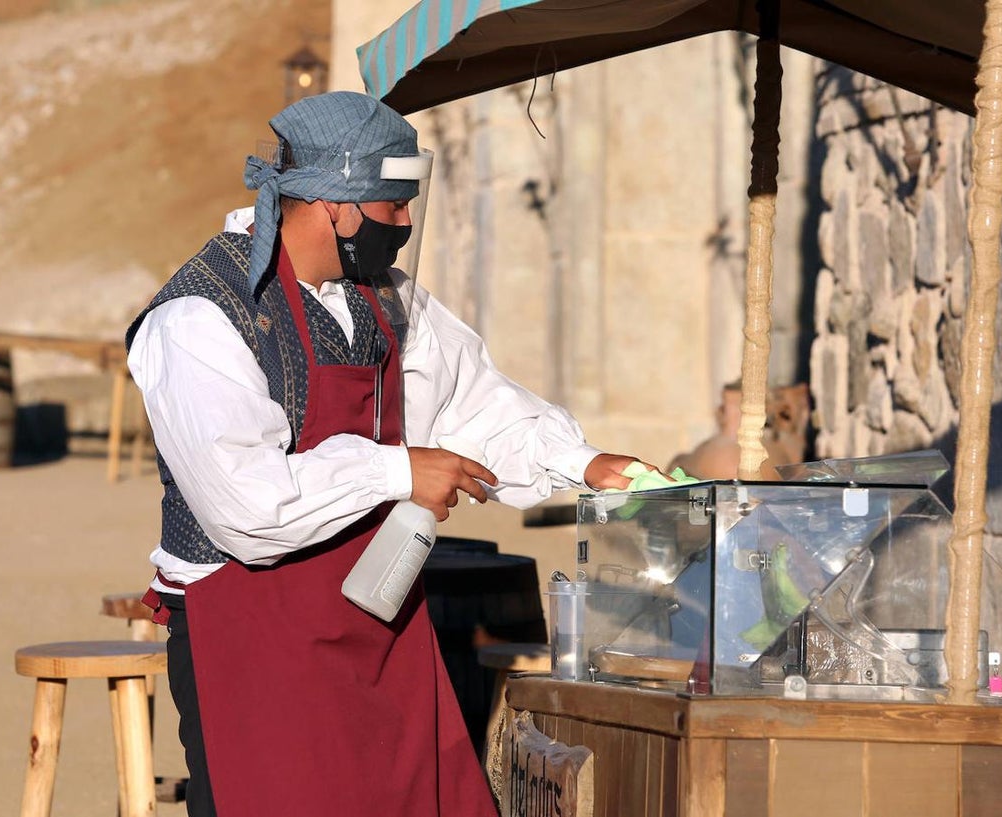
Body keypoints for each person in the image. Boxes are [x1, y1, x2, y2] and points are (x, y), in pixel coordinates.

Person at [126, 91, 655, 817]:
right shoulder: (201, 316)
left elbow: (479, 404)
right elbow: (245, 505)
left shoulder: (386, 300)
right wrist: (398, 469)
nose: (405, 223)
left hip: (381, 631)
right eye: (391, 204)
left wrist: (585, 463)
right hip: (254, 648)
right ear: (334, 204)